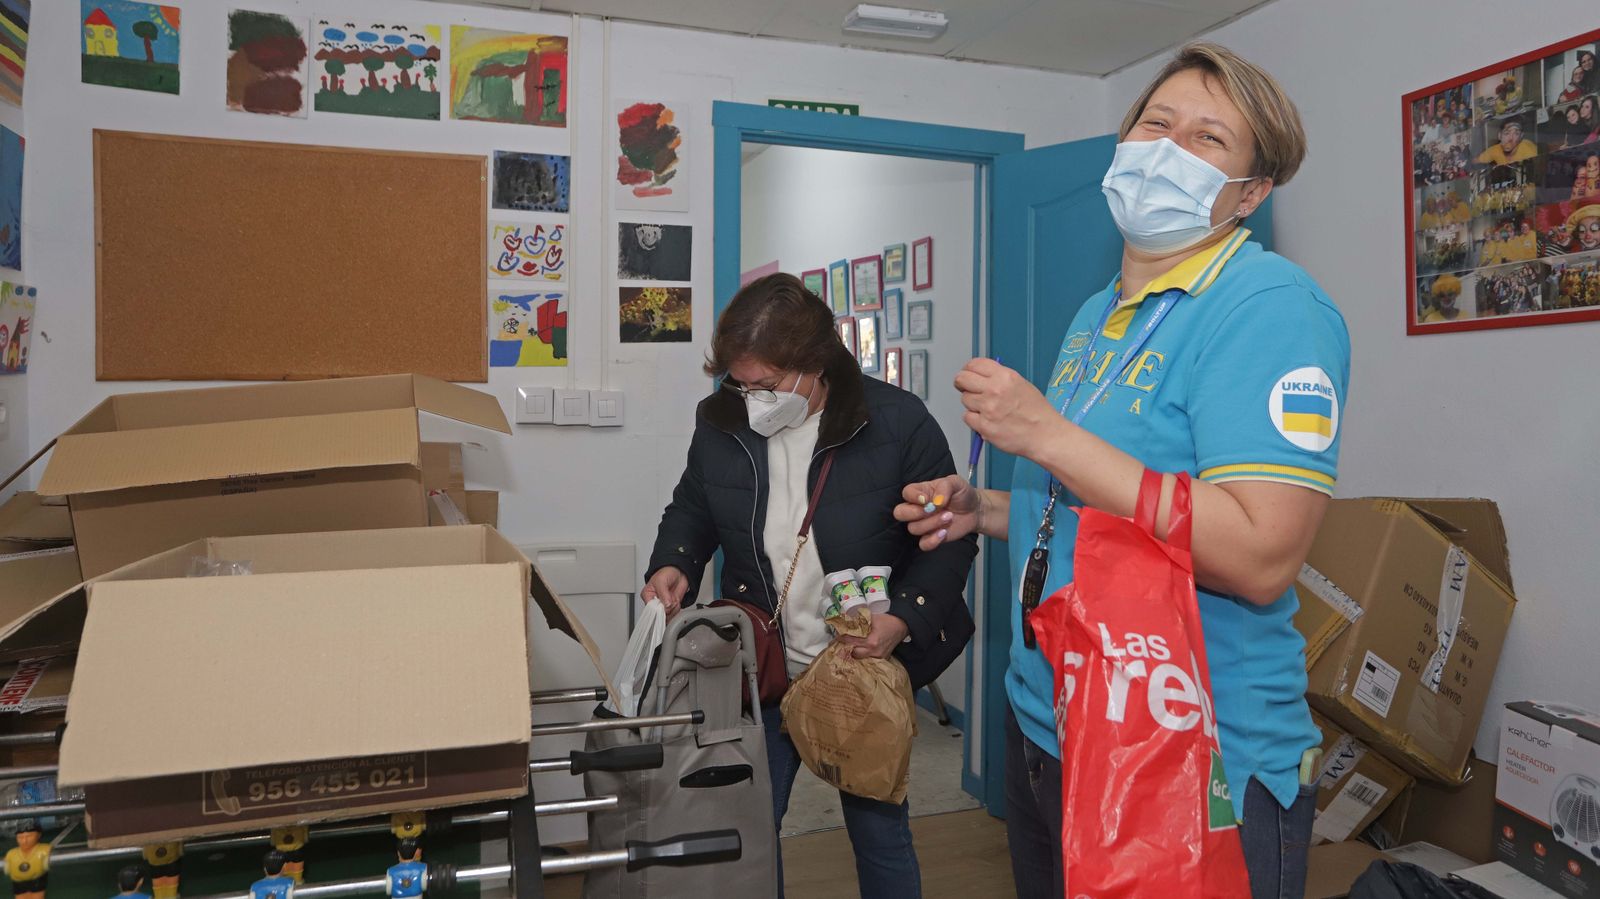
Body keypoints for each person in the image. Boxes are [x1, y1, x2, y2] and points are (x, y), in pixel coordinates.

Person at [898, 43, 1348, 899]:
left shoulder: (1270, 308)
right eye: (1156, 122)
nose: (1169, 148)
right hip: (1050, 717)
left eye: (1208, 138)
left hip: (1190, 743)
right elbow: (1094, 508)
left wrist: (1046, 435)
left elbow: (1262, 556)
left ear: (1250, 193)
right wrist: (984, 508)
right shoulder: (1097, 312)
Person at [643, 272, 977, 899]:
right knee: (750, 832)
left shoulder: (896, 421)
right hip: (764, 664)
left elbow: (949, 539)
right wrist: (675, 561)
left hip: (860, 665)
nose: (751, 400)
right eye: (740, 384)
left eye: (766, 386)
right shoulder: (721, 419)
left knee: (880, 834)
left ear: (815, 364)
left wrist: (904, 619)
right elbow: (692, 504)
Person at [5, 821, 49, 899]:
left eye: (29, 836)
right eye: (20, 837)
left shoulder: (44, 850)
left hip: (37, 881)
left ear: (38, 835)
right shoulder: (11, 854)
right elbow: (7, 870)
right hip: (18, 883)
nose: (24, 841)